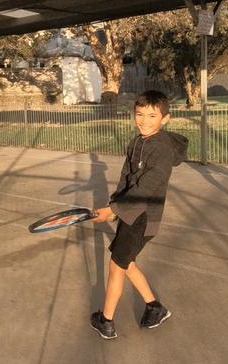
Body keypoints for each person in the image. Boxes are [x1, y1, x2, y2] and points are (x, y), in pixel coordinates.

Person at [89, 90, 188, 339]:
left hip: (143, 219)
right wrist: (115, 206)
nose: (144, 120)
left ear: (165, 119)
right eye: (140, 114)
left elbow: (146, 187)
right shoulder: (137, 142)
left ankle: (106, 321)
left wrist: (113, 210)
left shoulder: (163, 149)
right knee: (126, 261)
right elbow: (126, 178)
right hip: (129, 214)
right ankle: (154, 307)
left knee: (116, 267)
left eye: (152, 116)